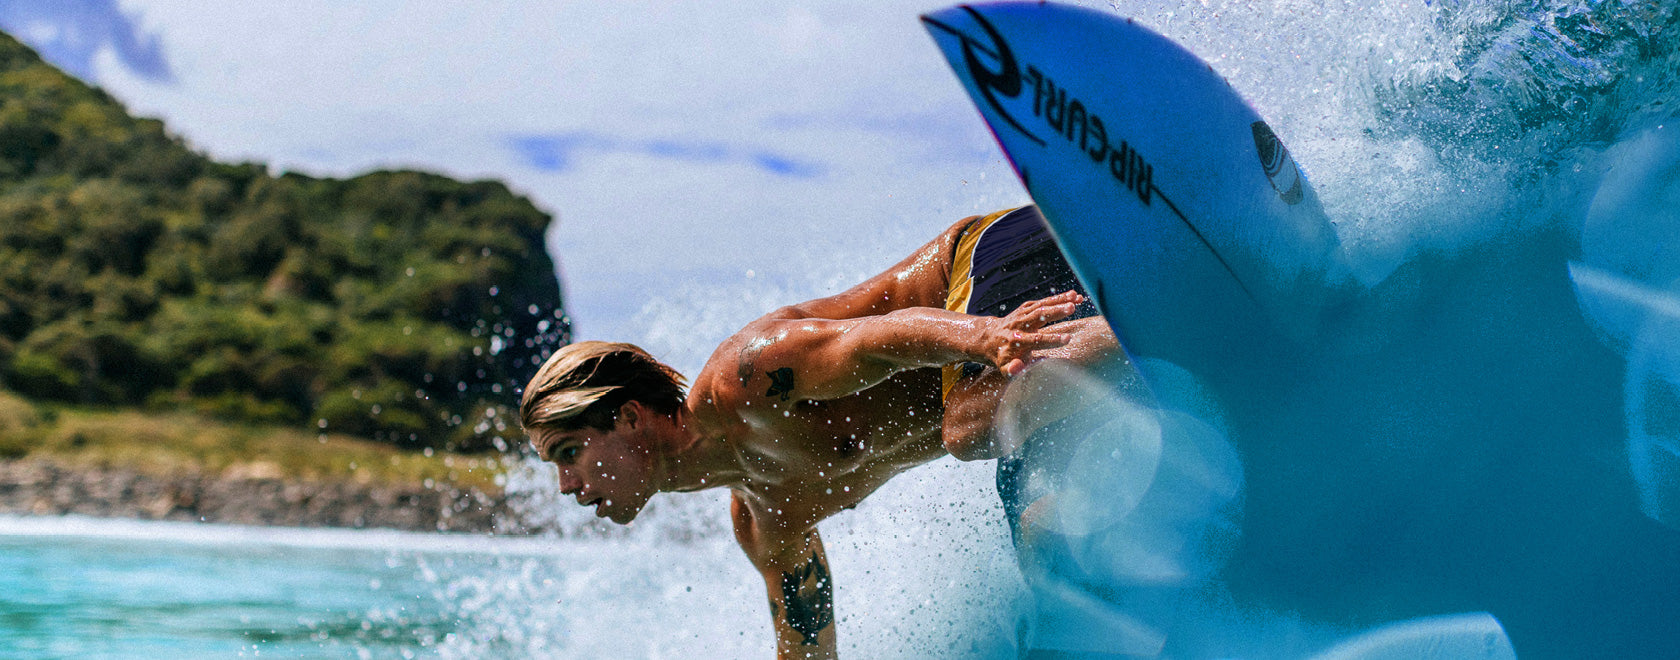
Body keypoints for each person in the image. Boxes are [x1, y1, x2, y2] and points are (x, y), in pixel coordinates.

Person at [519, 206, 1121, 659]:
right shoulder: (766, 524)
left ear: (628, 419)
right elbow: (808, 651)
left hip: (995, 264)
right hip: (1031, 385)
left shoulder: (744, 381)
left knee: (964, 426)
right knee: (1054, 557)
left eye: (568, 452)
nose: (567, 484)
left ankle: (1177, 338)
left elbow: (876, 339)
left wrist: (987, 338)